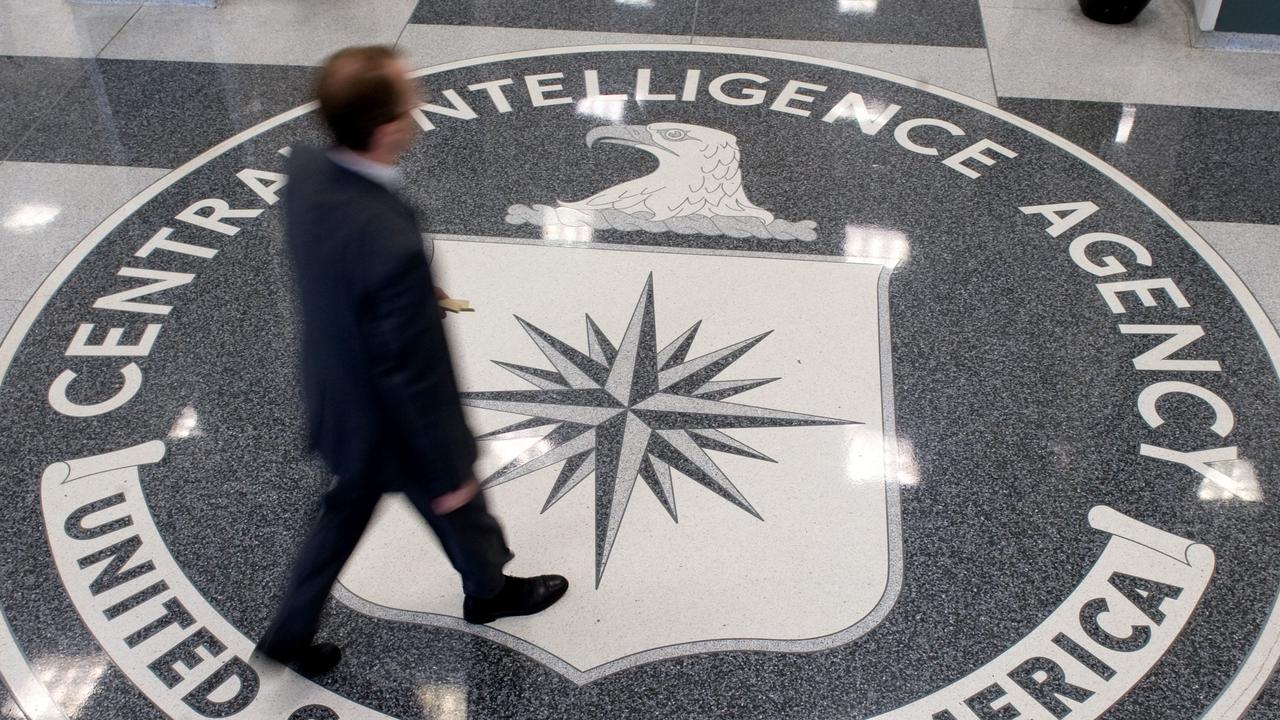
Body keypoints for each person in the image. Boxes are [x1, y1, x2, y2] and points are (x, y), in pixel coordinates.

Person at [256, 45, 568, 677]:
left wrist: (396, 297)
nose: (418, 108)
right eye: (408, 100)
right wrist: (448, 462)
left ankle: (289, 631)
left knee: (342, 514)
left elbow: (337, 263)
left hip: (336, 394)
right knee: (461, 505)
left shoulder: (309, 170)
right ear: (385, 128)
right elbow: (412, 375)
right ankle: (490, 594)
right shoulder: (390, 246)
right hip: (394, 423)